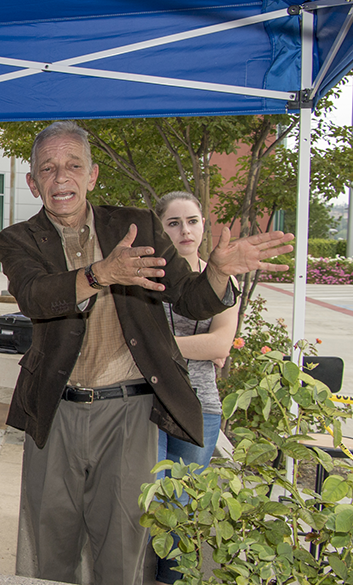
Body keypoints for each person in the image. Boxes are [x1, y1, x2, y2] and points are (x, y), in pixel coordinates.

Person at [0, 121, 292, 585]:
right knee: (48, 548)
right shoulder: (17, 239)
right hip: (55, 410)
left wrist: (216, 273)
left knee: (124, 548)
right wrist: (99, 274)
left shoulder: (137, 225)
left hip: (131, 410)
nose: (61, 178)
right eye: (47, 169)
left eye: (74, 165)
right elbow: (34, 296)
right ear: (33, 182)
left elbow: (190, 298)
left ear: (92, 176)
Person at [152, 191, 239, 585]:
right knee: (147, 502)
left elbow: (220, 344)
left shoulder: (223, 279)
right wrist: (195, 349)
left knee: (179, 507)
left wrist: (159, 346)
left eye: (192, 221)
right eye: (173, 222)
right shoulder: (149, 277)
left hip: (200, 407)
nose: (184, 230)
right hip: (147, 404)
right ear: (162, 229)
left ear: (204, 225)